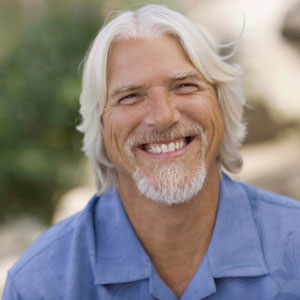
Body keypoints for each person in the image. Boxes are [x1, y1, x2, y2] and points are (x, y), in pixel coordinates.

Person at [3, 4, 300, 300]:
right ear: (101, 125)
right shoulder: (41, 285)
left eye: (184, 86)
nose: (163, 116)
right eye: (130, 96)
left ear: (222, 104)